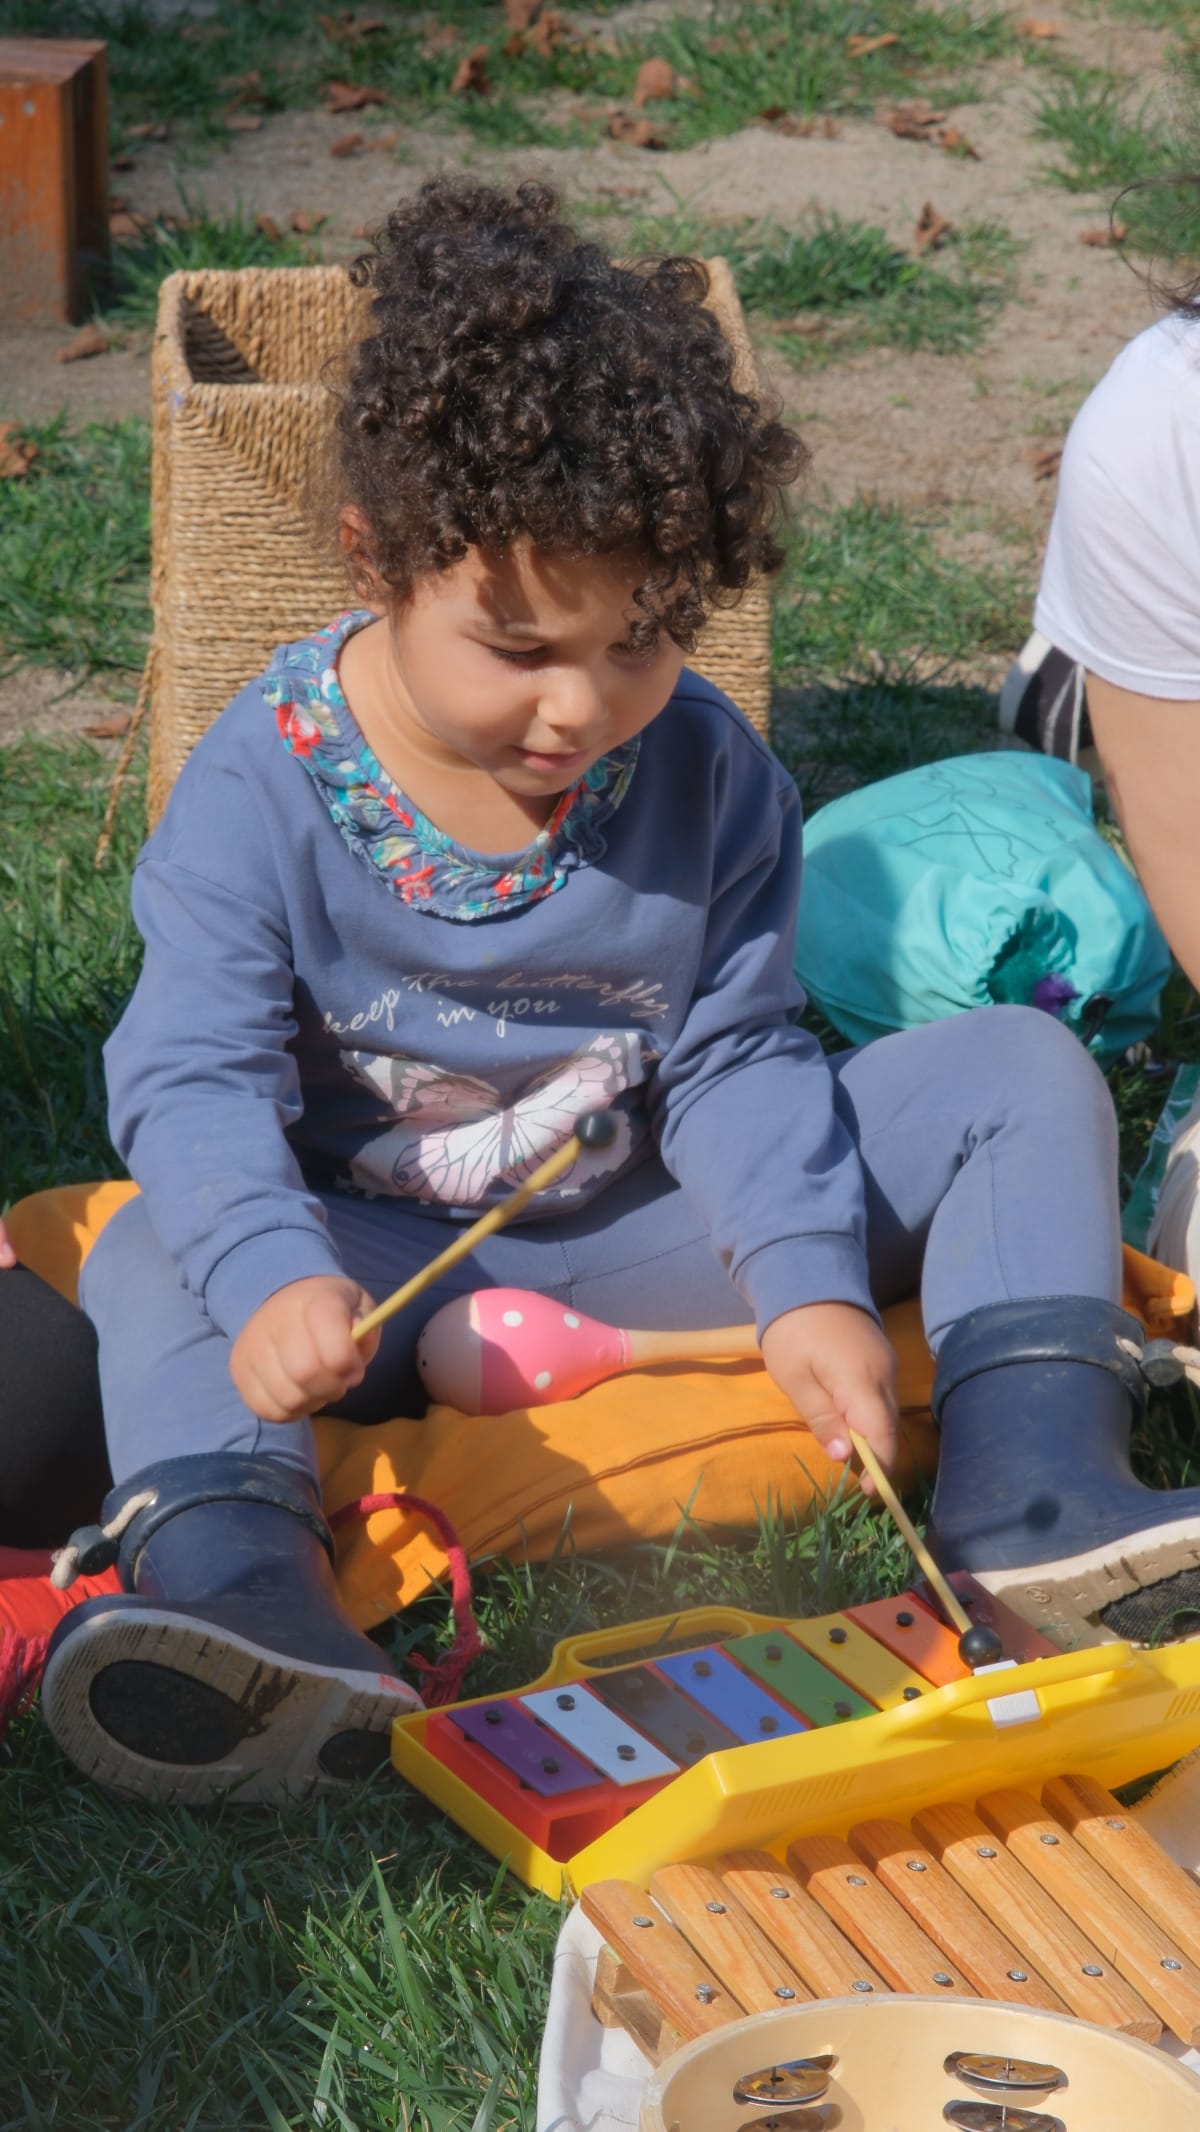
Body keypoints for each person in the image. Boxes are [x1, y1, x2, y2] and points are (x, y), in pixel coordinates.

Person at [41, 179, 1189, 1807]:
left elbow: (733, 1055)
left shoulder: (707, 765)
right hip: (366, 1272)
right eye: (519, 650)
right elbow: (194, 1074)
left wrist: (803, 1283)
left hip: (655, 1229)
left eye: (640, 639)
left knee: (1015, 1069)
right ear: (378, 561)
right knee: (154, 1246)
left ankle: (1042, 1500)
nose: (582, 707)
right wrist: (272, 1275)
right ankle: (248, 1599)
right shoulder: (259, 785)